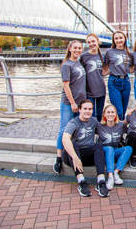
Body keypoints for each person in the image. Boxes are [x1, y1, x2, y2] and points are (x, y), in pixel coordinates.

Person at [61, 100, 108, 197]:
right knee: (73, 144)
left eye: (90, 109)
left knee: (98, 145)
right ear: (79, 110)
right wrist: (75, 157)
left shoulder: (94, 121)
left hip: (86, 155)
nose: (87, 111)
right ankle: (81, 182)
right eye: (85, 109)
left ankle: (101, 181)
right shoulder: (74, 123)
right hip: (72, 156)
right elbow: (65, 138)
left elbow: (105, 129)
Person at [54, 40, 86, 174]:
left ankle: (74, 153)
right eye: (75, 48)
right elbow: (66, 85)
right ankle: (59, 158)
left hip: (81, 103)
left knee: (77, 129)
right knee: (64, 129)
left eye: (80, 48)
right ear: (70, 49)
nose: (78, 50)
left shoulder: (78, 63)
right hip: (69, 103)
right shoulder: (66, 65)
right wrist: (72, 102)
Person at [97, 105, 132, 190]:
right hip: (104, 152)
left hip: (115, 151)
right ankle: (110, 176)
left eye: (113, 112)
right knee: (109, 149)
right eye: (108, 112)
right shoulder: (99, 126)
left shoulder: (120, 125)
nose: (110, 114)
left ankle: (116, 172)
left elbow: (131, 129)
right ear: (104, 114)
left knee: (128, 148)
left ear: (116, 114)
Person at [104, 31, 132, 121]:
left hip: (126, 81)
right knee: (118, 110)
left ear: (124, 39)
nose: (119, 40)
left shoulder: (129, 53)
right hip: (114, 82)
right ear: (114, 40)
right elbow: (105, 66)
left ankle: (119, 131)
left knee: (123, 111)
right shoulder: (109, 52)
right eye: (116, 38)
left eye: (121, 38)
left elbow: (131, 68)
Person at [80, 33, 106, 122]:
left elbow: (106, 70)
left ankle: (98, 133)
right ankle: (90, 134)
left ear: (98, 41)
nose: (91, 44)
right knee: (90, 115)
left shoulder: (103, 56)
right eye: (89, 42)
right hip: (89, 91)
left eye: (93, 41)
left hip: (101, 90)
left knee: (99, 115)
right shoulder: (84, 56)